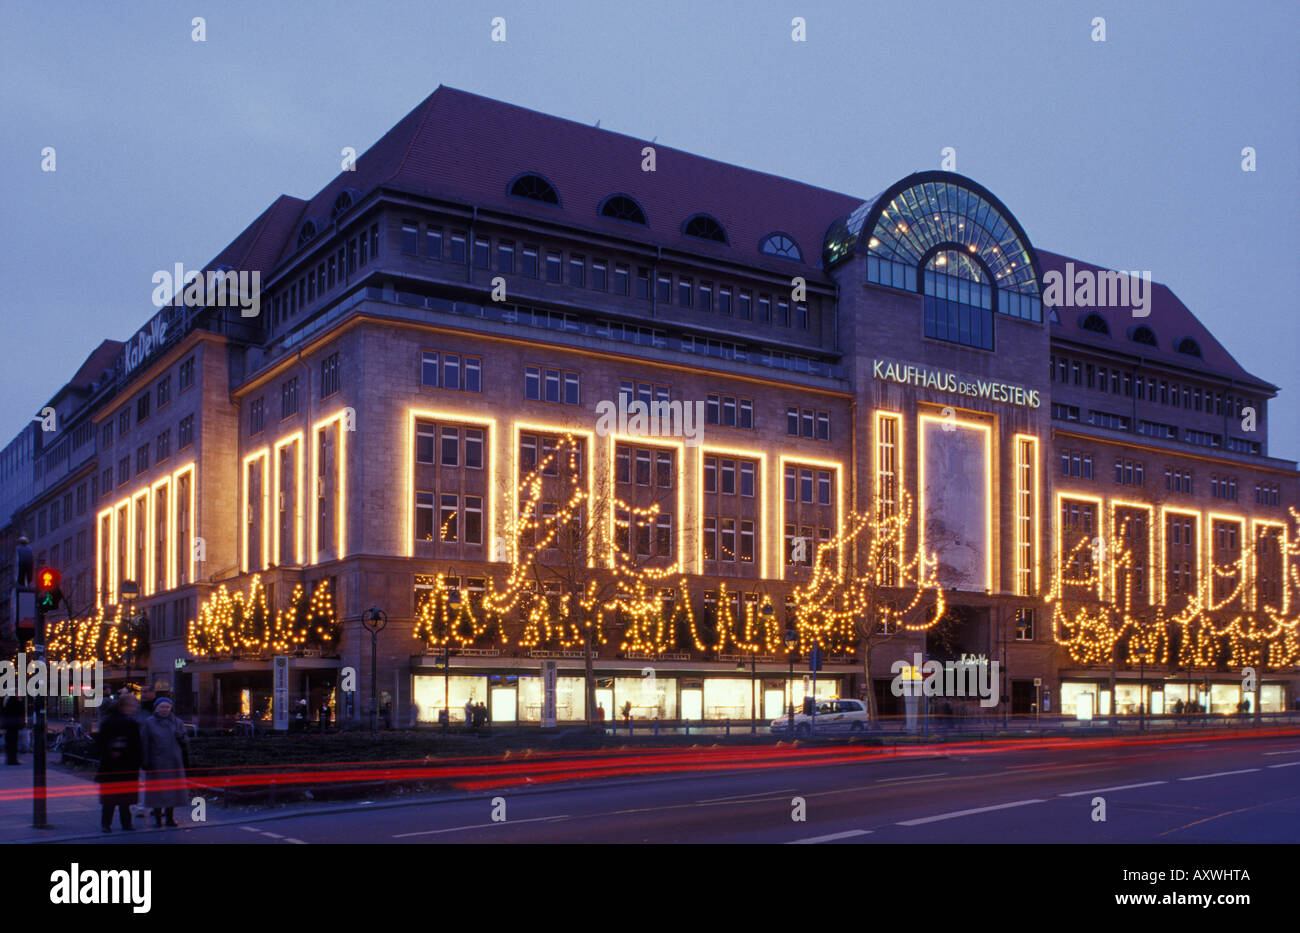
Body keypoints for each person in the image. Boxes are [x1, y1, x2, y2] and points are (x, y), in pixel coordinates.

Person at [96, 694, 142, 833]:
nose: (134, 709)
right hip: (119, 766)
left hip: (118, 766)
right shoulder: (117, 722)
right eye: (131, 706)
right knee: (120, 798)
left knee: (116, 798)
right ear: (123, 707)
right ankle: (121, 823)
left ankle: (110, 824)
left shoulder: (118, 722)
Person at [140, 697, 189, 827]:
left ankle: (170, 817)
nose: (164, 709)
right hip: (156, 762)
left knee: (172, 791)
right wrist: (145, 761)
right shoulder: (149, 723)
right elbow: (144, 743)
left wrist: (182, 737)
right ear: (156, 708)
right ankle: (157, 818)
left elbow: (185, 742)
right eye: (162, 707)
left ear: (171, 708)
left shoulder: (177, 722)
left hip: (174, 762)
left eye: (167, 707)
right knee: (157, 791)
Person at [3, 696, 23, 766]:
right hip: (14, 724)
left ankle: (9, 759)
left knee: (9, 743)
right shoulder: (15, 701)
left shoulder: (6, 700)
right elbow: (19, 711)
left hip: (9, 725)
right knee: (13, 743)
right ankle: (13, 759)